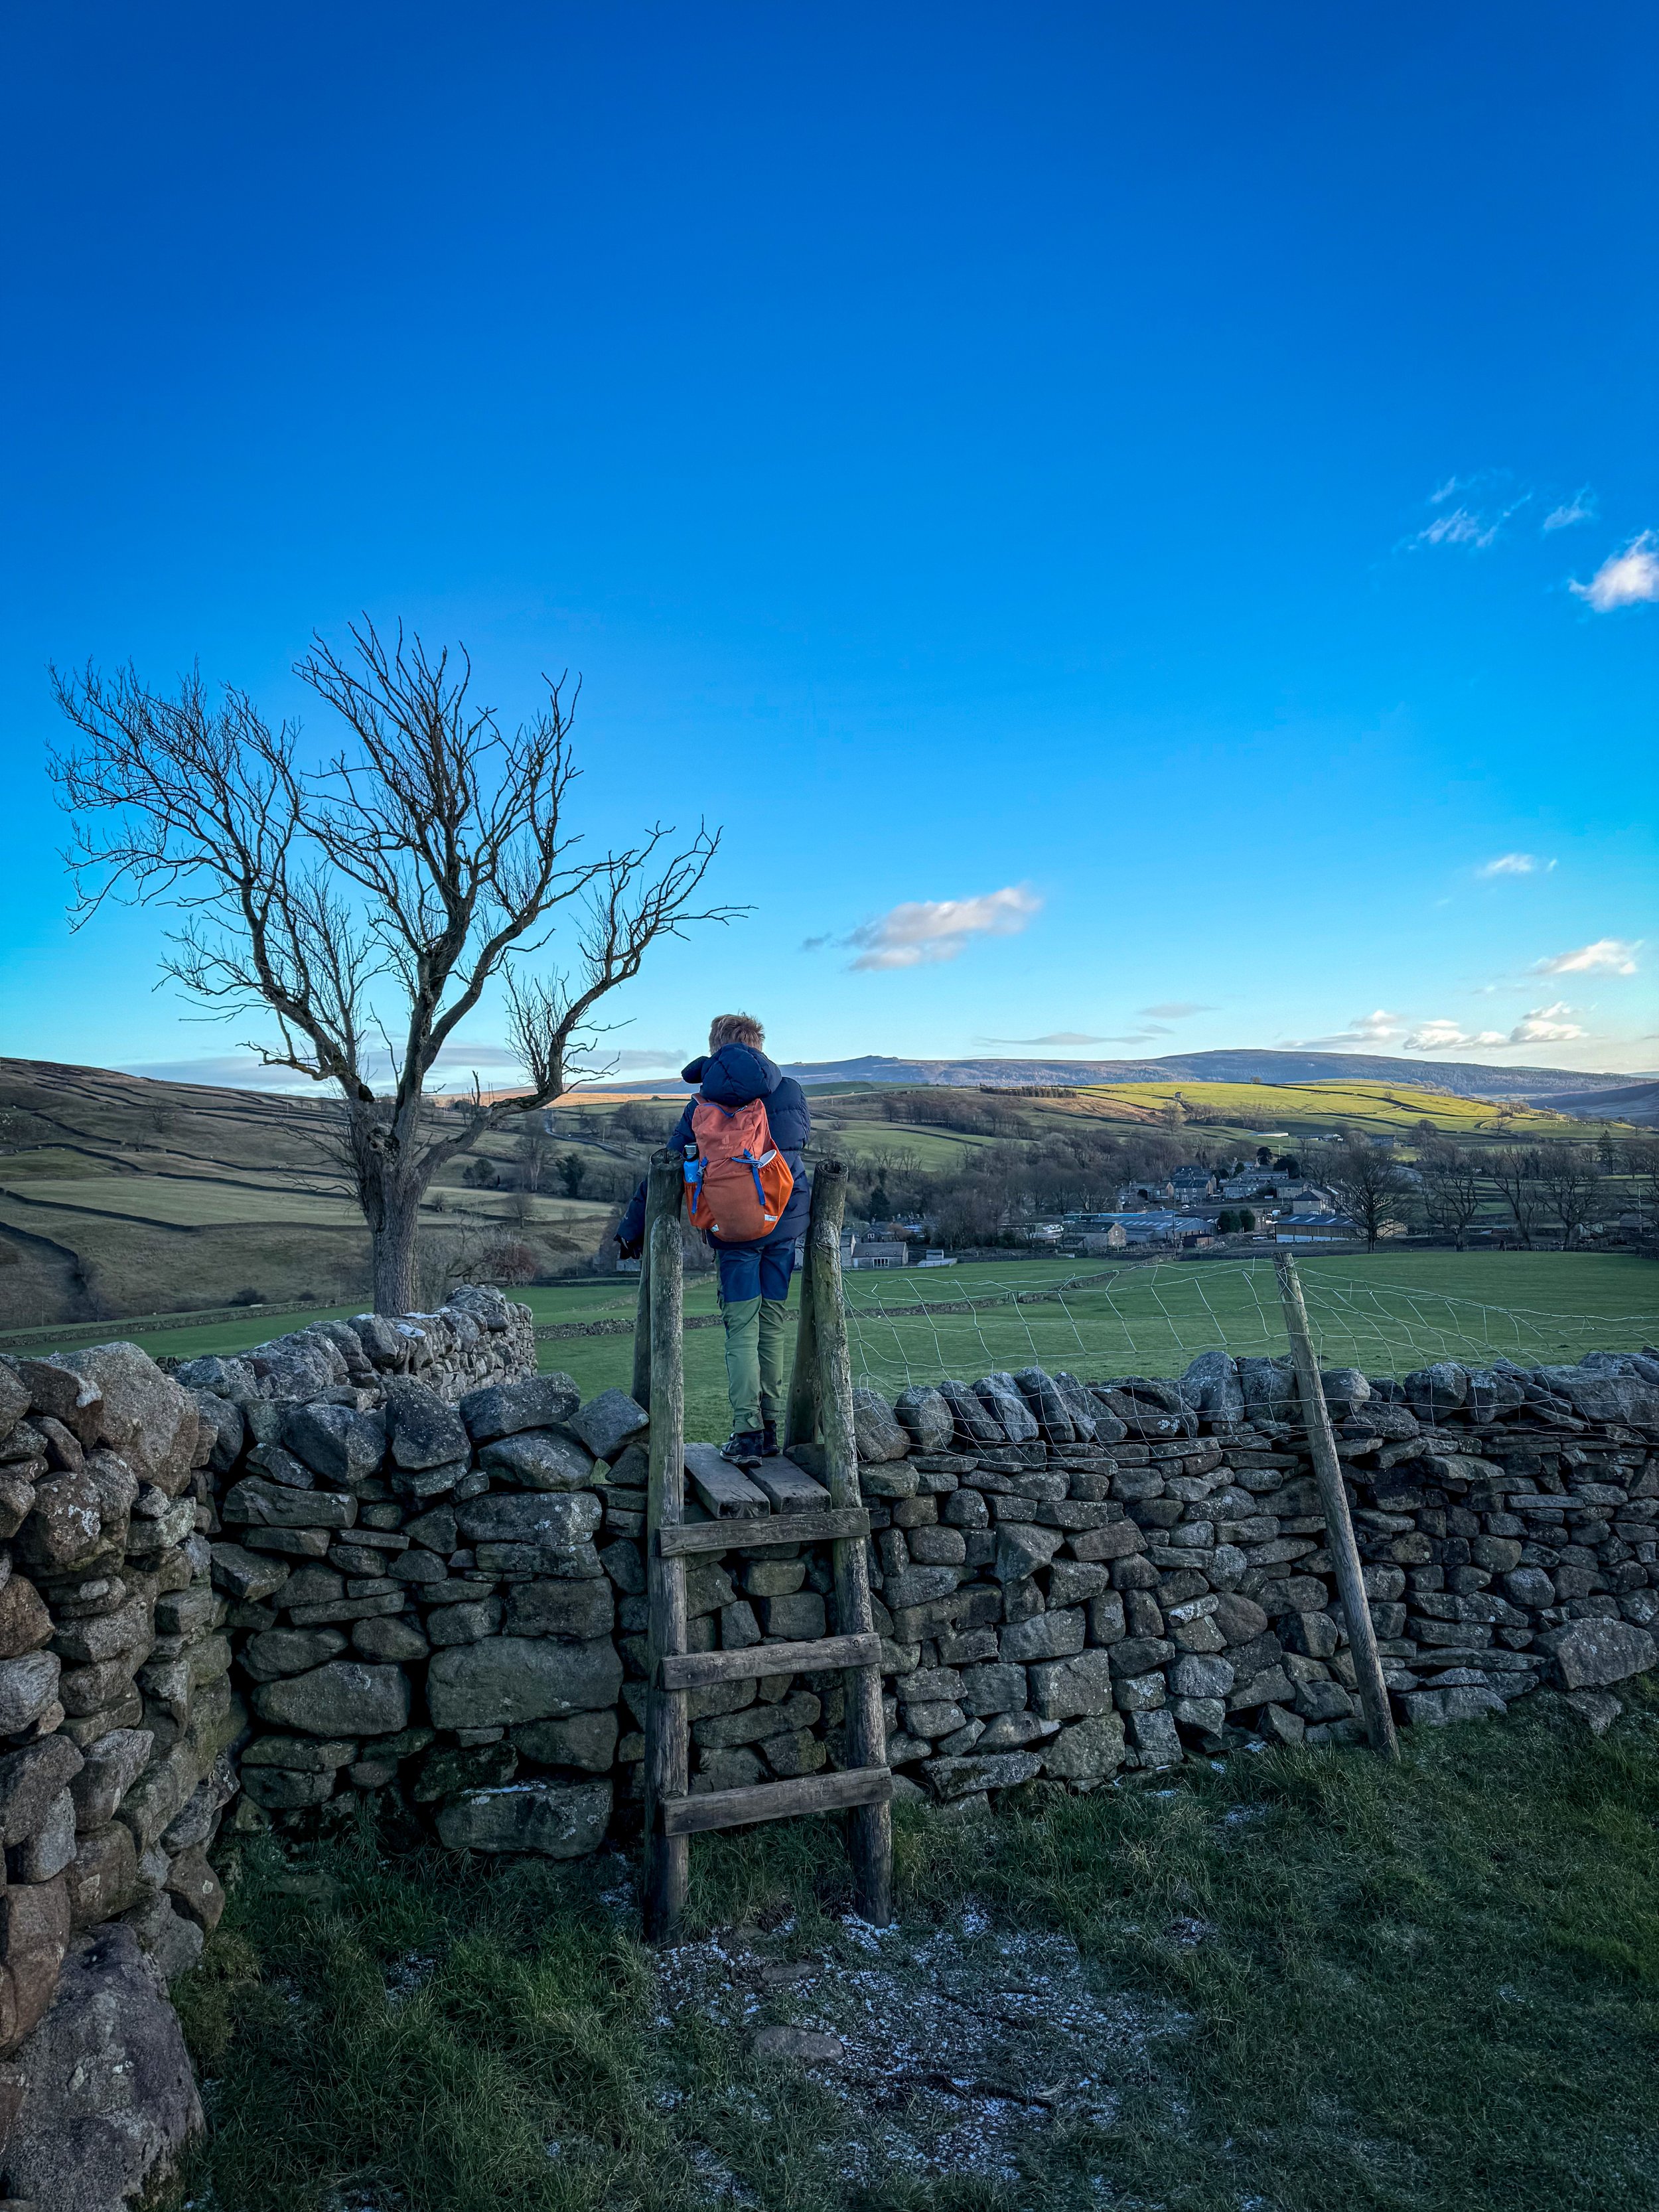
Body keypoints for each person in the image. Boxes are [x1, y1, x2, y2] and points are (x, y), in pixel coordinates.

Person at [616, 1013, 811, 1465]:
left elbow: (663, 1166)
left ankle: (747, 1433)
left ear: (717, 1048)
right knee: (772, 1323)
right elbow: (796, 1149)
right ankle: (770, 1427)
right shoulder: (790, 1091)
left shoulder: (703, 1102)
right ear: (758, 1044)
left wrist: (632, 1227)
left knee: (741, 1328)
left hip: (734, 1229)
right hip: (781, 1226)